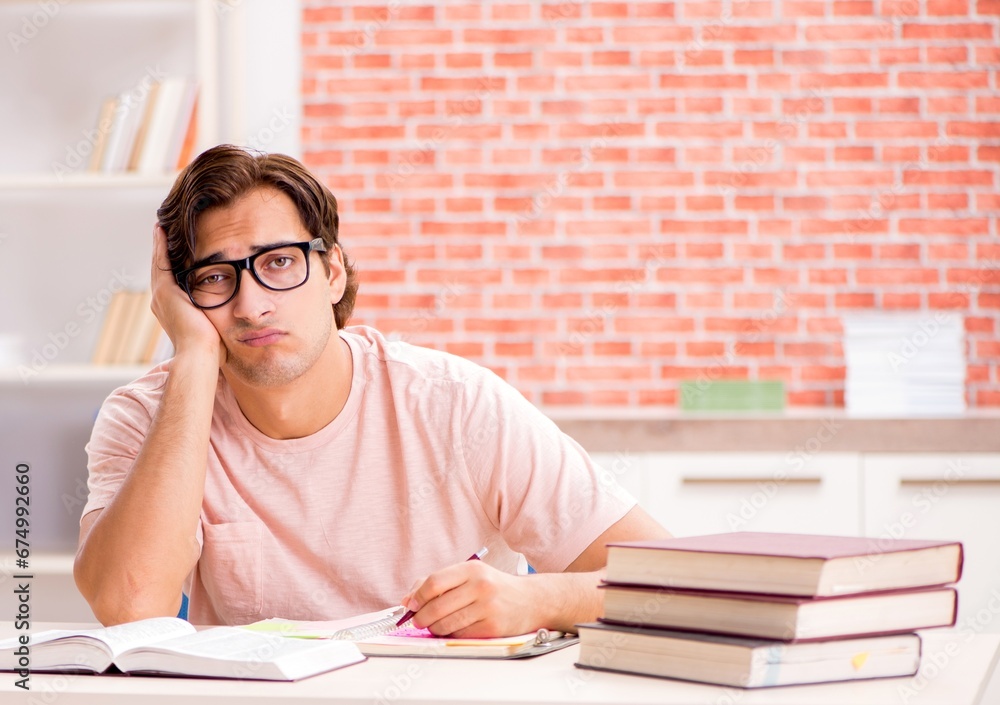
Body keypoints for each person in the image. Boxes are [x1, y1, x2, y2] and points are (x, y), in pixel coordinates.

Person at [74, 144, 670, 636]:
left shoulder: (455, 404)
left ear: (333, 272)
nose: (251, 304)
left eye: (279, 263)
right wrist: (196, 358)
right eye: (215, 277)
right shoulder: (148, 415)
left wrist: (539, 600)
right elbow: (128, 606)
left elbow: (675, 584)